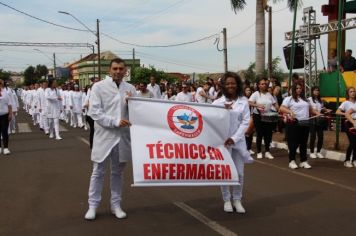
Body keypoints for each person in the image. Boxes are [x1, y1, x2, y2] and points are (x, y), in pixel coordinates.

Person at [84, 58, 135, 220]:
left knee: (117, 173)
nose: (118, 71)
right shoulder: (98, 87)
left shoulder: (130, 88)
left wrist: (130, 103)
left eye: (121, 69)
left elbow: (137, 112)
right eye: (115, 68)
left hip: (122, 137)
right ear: (109, 70)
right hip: (104, 135)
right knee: (98, 171)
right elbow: (95, 112)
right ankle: (92, 205)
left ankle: (116, 204)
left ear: (125, 71)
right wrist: (114, 122)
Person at [213, 72, 251, 214]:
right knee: (225, 172)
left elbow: (245, 122)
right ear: (223, 85)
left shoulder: (243, 101)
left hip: (238, 142)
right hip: (223, 143)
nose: (230, 85)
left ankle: (237, 199)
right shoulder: (217, 103)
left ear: (237, 85)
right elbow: (212, 121)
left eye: (233, 83)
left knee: (239, 173)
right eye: (227, 83)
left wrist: (234, 138)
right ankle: (227, 200)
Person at [280, 83, 319, 169]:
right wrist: (290, 112)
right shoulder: (289, 99)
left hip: (305, 123)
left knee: (303, 143)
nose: (299, 89)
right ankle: (292, 161)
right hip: (294, 123)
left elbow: (311, 110)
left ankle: (303, 161)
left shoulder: (305, 99)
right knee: (293, 143)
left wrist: (318, 113)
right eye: (297, 88)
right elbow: (281, 108)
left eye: (300, 88)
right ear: (294, 89)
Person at [248, 77, 279, 160]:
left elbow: (275, 104)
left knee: (268, 134)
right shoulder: (256, 94)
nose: (264, 85)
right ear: (258, 85)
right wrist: (257, 105)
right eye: (262, 84)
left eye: (265, 84)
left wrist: (278, 109)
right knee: (259, 134)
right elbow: (249, 102)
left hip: (268, 116)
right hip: (258, 116)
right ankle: (259, 151)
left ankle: (267, 151)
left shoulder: (269, 94)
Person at [308, 86, 331, 159]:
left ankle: (318, 151)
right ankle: (311, 152)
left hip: (319, 120)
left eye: (318, 90)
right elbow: (309, 109)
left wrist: (326, 110)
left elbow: (321, 109)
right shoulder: (309, 99)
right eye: (315, 90)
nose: (317, 92)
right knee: (313, 136)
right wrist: (316, 113)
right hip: (312, 119)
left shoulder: (320, 100)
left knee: (321, 136)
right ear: (312, 91)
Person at [336, 87, 356, 167]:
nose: (353, 93)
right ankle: (347, 160)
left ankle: (354, 160)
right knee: (352, 143)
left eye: (354, 91)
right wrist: (346, 114)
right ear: (348, 93)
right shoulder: (345, 103)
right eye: (351, 91)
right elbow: (337, 112)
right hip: (349, 123)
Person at [0, 79, 12, 155]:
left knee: (4, 131)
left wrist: (10, 113)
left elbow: (9, 104)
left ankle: (6, 148)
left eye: (1, 83)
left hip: (4, 114)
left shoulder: (5, 93)